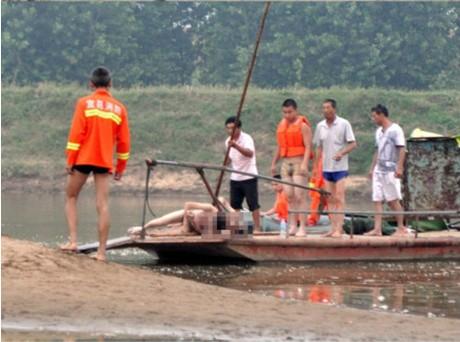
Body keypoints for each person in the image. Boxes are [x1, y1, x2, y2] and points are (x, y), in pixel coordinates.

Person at [60, 67, 130, 261]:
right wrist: (121, 167)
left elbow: (76, 134)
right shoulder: (119, 108)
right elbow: (124, 142)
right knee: (103, 205)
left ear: (91, 84)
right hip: (104, 161)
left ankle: (73, 242)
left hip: (83, 158)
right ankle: (101, 253)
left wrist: (70, 159)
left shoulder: (84, 103)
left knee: (71, 196)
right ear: (110, 84)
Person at [312, 99, 356, 237]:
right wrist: (315, 167)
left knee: (339, 197)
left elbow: (353, 144)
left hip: (340, 167)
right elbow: (319, 147)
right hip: (326, 168)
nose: (325, 110)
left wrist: (341, 153)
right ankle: (333, 228)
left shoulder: (343, 124)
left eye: (328, 107)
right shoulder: (320, 126)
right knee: (329, 198)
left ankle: (340, 228)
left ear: (334, 109)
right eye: (323, 108)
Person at [365, 104, 409, 237]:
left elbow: (402, 148)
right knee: (377, 198)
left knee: (392, 199)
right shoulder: (378, 132)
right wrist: (372, 168)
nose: (373, 119)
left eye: (374, 116)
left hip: (391, 169)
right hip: (379, 168)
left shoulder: (396, 130)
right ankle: (377, 229)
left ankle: (401, 227)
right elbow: (377, 150)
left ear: (381, 115)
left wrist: (400, 167)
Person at [271, 99, 312, 237]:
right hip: (285, 162)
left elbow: (308, 146)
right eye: (285, 112)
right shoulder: (282, 125)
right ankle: (293, 225)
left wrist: (305, 164)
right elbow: (280, 146)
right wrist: (273, 163)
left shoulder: (303, 126)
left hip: (298, 161)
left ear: (296, 110)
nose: (287, 115)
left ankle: (302, 228)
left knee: (300, 195)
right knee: (289, 195)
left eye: (290, 112)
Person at [128, 197, 236, 236]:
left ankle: (146, 232)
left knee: (173, 230)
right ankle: (142, 228)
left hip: (193, 223)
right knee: (163, 221)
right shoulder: (210, 209)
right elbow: (188, 205)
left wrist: (227, 205)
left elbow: (236, 218)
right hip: (187, 214)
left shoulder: (221, 224)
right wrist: (185, 223)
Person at [225, 116, 261, 232]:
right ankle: (238, 229)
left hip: (249, 176)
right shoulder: (227, 141)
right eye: (228, 128)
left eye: (233, 128)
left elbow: (249, 153)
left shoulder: (247, 138)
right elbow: (229, 158)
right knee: (235, 205)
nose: (231, 131)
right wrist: (225, 162)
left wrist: (236, 146)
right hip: (235, 177)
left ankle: (257, 228)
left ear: (239, 128)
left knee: (253, 204)